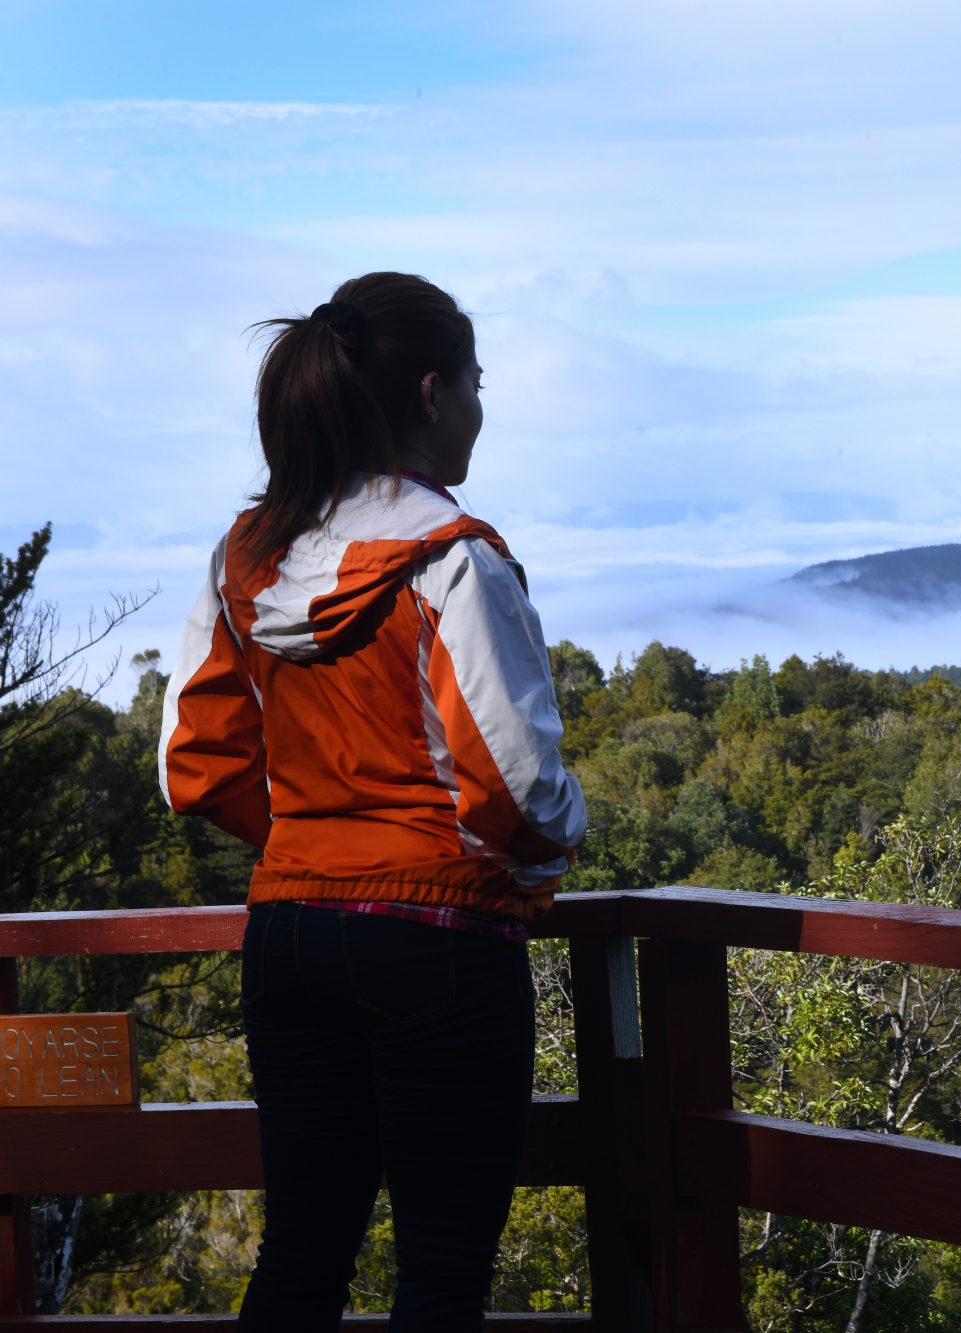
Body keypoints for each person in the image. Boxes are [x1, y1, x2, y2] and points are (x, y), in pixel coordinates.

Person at [158, 272, 586, 1331]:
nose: (482, 408)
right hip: (435, 939)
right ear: (434, 394)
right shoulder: (453, 562)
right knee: (440, 1276)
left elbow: (195, 763)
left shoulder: (245, 559)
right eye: (479, 384)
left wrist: (312, 843)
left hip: (289, 933)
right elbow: (516, 786)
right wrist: (539, 866)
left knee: (302, 1253)